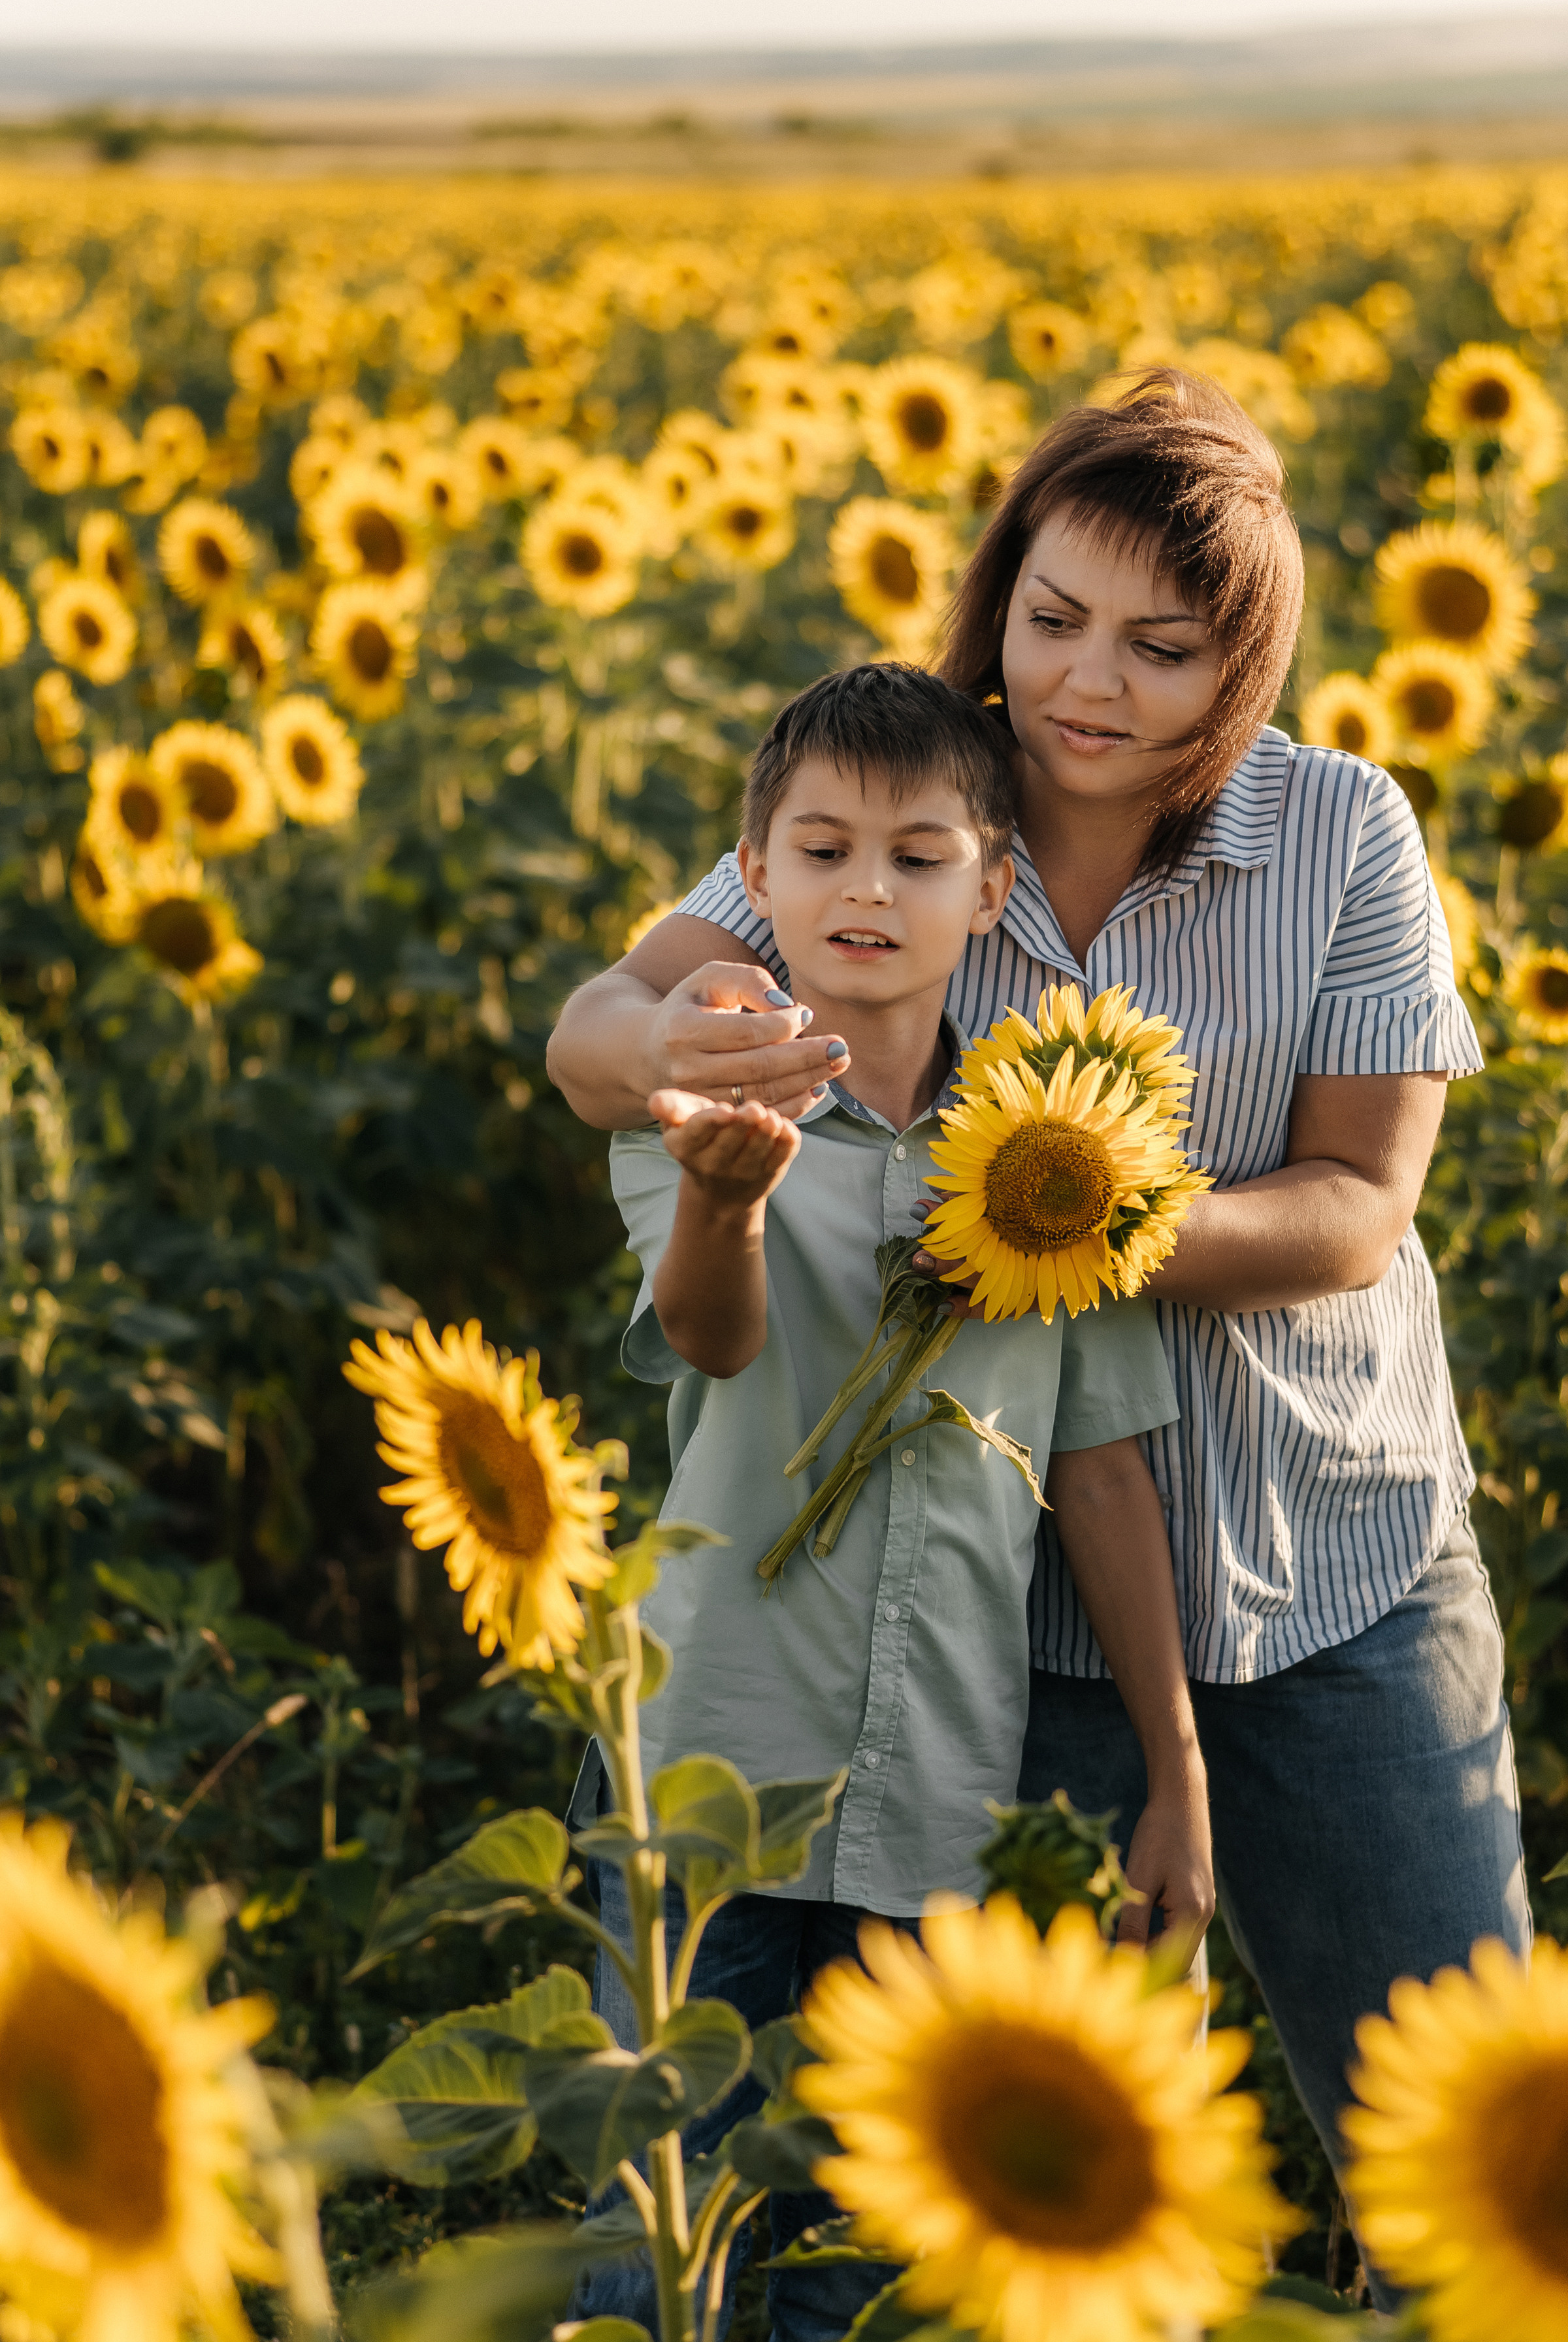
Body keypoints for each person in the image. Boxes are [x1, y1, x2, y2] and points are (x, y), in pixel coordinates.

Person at [547, 370, 1529, 2298]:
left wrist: (1053, 1216)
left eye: (1166, 650)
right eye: (1053, 618)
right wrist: (675, 1051)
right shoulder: (919, 809)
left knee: (1481, 2151)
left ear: (1241, 661)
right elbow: (600, 1028)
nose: (1093, 684)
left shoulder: (1342, 834)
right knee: (988, 2202)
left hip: (1334, 1555)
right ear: (997, 595)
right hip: (1010, 1619)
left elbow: (1357, 1208)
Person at [569, 661, 1213, 2342]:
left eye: (919, 857)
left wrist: (1175, 1759)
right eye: (825, 851)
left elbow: (1101, 1469)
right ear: (755, 880)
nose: (868, 890)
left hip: (935, 1781)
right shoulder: (696, 1096)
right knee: (659, 2240)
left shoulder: (1059, 1161)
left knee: (876, 2265)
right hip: (711, 1761)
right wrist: (727, 1200)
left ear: (992, 889)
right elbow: (712, 1341)